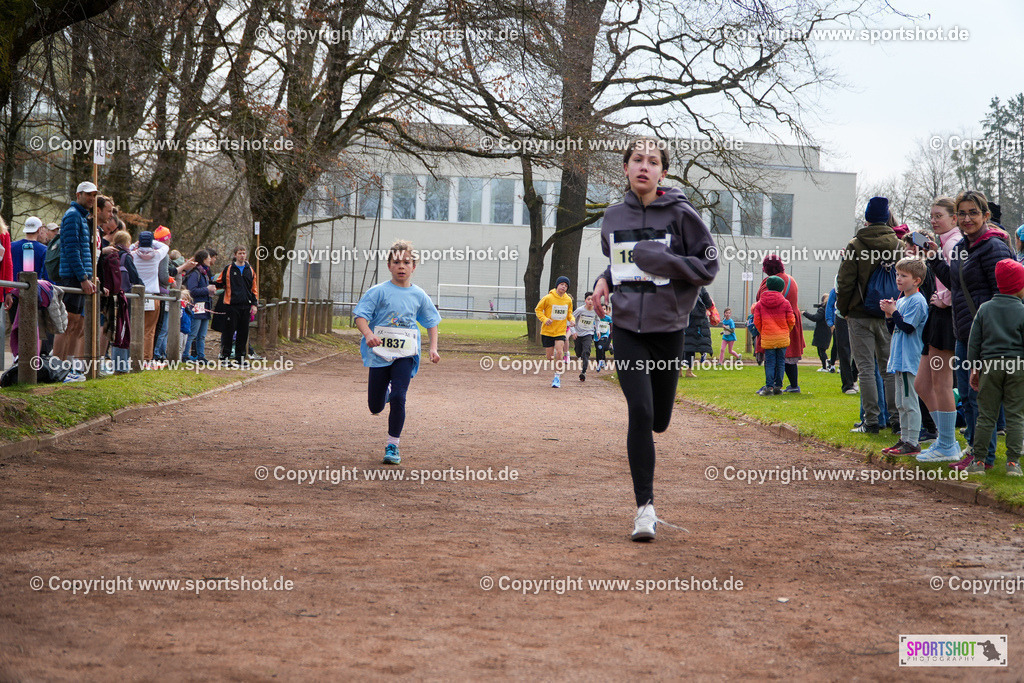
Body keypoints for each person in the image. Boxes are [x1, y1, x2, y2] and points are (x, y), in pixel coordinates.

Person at [591, 137, 719, 541]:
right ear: (626, 168)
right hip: (627, 329)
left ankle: (646, 497)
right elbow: (621, 263)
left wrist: (666, 261)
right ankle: (644, 509)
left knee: (660, 420)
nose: (643, 166)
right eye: (636, 160)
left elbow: (709, 265)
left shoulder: (682, 214)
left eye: (652, 161)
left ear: (663, 171)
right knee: (641, 413)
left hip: (670, 330)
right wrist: (603, 280)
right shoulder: (612, 217)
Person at [927, 190, 1015, 471]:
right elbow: (957, 285)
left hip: (988, 337)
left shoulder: (994, 248)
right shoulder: (964, 247)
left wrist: (990, 333)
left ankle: (983, 458)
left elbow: (1004, 294)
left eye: (973, 213)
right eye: (962, 213)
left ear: (986, 216)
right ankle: (977, 453)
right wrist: (933, 260)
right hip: (965, 333)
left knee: (980, 399)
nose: (967, 219)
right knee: (968, 396)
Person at [353, 240, 441, 465]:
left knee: (400, 397)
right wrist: (368, 334)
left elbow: (431, 322)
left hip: (406, 354)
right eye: (397, 262)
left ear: (414, 267)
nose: (401, 266)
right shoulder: (378, 291)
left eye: (406, 262)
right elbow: (360, 316)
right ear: (389, 265)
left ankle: (393, 445)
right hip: (379, 354)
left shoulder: (419, 295)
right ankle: (387, 390)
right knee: (375, 406)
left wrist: (432, 348)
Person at [836, 196, 904, 433]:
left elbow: (845, 283)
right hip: (889, 311)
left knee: (865, 369)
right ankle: (896, 420)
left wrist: (844, 309)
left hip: (859, 313)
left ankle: (872, 421)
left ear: (866, 217)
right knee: (889, 369)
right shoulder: (898, 245)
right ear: (886, 217)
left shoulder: (855, 245)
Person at [914, 199, 963, 460]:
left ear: (953, 219)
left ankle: (947, 444)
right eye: (931, 216)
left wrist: (944, 300)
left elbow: (961, 284)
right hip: (938, 316)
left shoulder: (954, 244)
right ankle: (946, 440)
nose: (933, 220)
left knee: (941, 383)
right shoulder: (944, 243)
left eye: (939, 216)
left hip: (947, 317)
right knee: (922, 384)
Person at [967, 259, 1024, 476]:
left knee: (986, 415)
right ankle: (1013, 464)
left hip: (990, 366)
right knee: (1015, 415)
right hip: (1017, 366)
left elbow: (974, 343)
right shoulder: (1021, 310)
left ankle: (979, 462)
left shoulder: (985, 309)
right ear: (1018, 285)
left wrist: (974, 369)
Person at [878, 258, 929, 456]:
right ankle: (904, 439)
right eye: (897, 274)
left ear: (916, 280)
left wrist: (895, 312)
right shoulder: (902, 299)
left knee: (909, 402)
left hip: (910, 359)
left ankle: (913, 442)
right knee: (900, 403)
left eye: (904, 276)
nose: (898, 279)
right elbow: (895, 329)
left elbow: (908, 327)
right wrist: (889, 315)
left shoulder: (917, 300)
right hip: (899, 358)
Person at [54, 181, 98, 364]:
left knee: (76, 325)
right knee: (67, 324)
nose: (92, 198)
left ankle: (68, 365)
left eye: (94, 195)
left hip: (80, 277)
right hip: (73, 277)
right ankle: (57, 365)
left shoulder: (82, 217)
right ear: (78, 194)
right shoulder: (72, 216)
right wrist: (83, 277)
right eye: (89, 194)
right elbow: (72, 250)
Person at [755, 255, 805, 393]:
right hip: (791, 322)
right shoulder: (791, 280)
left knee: (771, 357)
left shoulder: (770, 282)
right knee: (788, 356)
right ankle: (793, 385)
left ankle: (770, 385)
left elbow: (762, 301)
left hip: (771, 324)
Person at [214, 246, 258, 366]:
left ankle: (240, 358)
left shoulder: (250, 270)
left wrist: (254, 304)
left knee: (243, 333)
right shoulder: (228, 269)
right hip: (231, 305)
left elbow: (254, 289)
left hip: (246, 306)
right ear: (235, 255)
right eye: (240, 253)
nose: (242, 255)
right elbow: (219, 283)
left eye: (244, 253)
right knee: (229, 332)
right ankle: (225, 357)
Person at [752, 276, 795, 396]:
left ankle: (769, 386)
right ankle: (778, 386)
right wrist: (786, 330)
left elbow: (757, 321)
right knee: (781, 362)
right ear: (781, 289)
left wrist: (764, 330)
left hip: (768, 336)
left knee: (770, 362)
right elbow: (791, 320)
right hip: (782, 336)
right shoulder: (786, 303)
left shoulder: (760, 303)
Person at [130, 230, 169, 360]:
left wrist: (134, 244)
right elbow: (165, 246)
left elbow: (125, 251)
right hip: (152, 296)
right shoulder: (157, 255)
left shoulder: (133, 255)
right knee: (149, 330)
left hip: (136, 296)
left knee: (134, 327)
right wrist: (152, 242)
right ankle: (146, 358)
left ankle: (132, 356)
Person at [535, 275, 574, 388]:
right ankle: (555, 363)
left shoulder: (568, 300)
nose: (564, 287)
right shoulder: (548, 298)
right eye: (562, 284)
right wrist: (545, 319)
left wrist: (572, 320)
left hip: (560, 331)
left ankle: (557, 377)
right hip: (547, 331)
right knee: (550, 357)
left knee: (560, 352)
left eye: (566, 285)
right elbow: (538, 310)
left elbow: (569, 313)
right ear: (557, 285)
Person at [184, 249, 214, 362]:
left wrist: (210, 291)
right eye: (208, 257)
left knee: (202, 335)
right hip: (197, 306)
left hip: (205, 307)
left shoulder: (204, 274)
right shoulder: (195, 274)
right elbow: (192, 290)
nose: (210, 259)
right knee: (193, 333)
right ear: (203, 259)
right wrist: (207, 290)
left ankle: (201, 356)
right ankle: (185, 355)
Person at [826, 283, 856, 393]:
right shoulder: (836, 287)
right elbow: (829, 306)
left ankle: (854, 378)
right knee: (843, 350)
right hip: (842, 318)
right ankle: (848, 384)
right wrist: (830, 322)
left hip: (858, 317)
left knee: (859, 350)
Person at [682, 287, 713, 378]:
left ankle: (679, 371)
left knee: (681, 345)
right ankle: (689, 371)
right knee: (691, 346)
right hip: (695, 322)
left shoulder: (681, 285)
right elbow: (708, 303)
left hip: (682, 318)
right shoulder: (700, 287)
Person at [11, 217, 49, 282]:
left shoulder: (10, 246)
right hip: (32, 288)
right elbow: (47, 275)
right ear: (39, 230)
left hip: (11, 287)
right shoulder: (44, 250)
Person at [571, 291, 598, 381]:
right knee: (579, 352)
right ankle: (580, 355)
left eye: (592, 299)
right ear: (585, 301)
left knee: (586, 351)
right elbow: (570, 320)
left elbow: (598, 320)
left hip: (588, 333)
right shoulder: (580, 310)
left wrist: (597, 330)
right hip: (578, 334)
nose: (591, 301)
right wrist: (573, 331)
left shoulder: (596, 310)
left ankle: (583, 372)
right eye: (588, 299)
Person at [803, 294, 832, 371]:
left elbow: (815, 318)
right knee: (822, 350)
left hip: (821, 333)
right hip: (827, 332)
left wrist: (805, 313)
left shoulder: (822, 310)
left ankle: (825, 367)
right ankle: (826, 366)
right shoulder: (829, 309)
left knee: (821, 351)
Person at [594, 307, 612, 372]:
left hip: (605, 335)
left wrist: (611, 333)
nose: (602, 310)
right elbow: (593, 324)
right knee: (598, 349)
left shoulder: (608, 318)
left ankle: (601, 362)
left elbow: (612, 325)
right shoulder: (596, 317)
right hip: (597, 336)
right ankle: (600, 362)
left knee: (601, 347)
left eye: (604, 309)